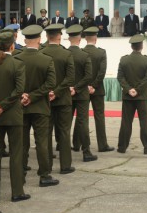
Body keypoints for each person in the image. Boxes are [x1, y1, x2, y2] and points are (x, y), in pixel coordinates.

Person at [0, 31, 29, 203]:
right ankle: (17, 191)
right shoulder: (17, 64)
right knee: (16, 153)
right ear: (12, 45)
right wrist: (3, 106)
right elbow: (19, 90)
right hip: (13, 115)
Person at [16, 25, 58, 187]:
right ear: (39, 40)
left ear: (25, 40)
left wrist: (24, 96)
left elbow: (12, 82)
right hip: (40, 107)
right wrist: (33, 97)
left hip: (21, 106)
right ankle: (44, 175)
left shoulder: (16, 58)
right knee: (42, 142)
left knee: (22, 143)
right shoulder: (46, 60)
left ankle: (20, 174)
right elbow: (51, 84)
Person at [41, 24, 76, 175]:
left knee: (46, 133)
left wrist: (50, 92)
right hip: (63, 99)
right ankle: (65, 165)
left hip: (45, 99)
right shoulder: (66, 54)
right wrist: (57, 92)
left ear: (47, 37)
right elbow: (70, 78)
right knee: (64, 132)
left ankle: (47, 165)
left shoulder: (41, 53)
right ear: (59, 36)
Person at [117, 34, 147, 154]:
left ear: (132, 47)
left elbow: (120, 77)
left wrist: (129, 89)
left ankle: (122, 147)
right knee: (144, 123)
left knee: (126, 122)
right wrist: (138, 90)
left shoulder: (124, 60)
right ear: (141, 46)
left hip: (128, 97)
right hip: (142, 96)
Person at [82, 27, 115, 153]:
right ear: (95, 38)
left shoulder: (81, 52)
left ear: (85, 38)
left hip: (83, 89)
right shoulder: (101, 53)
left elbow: (79, 73)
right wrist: (94, 86)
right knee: (99, 117)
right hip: (98, 90)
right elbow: (102, 72)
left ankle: (79, 144)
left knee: (82, 117)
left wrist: (87, 86)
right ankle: (102, 145)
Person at [66, 25, 96, 162]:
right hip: (82, 94)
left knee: (65, 123)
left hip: (67, 94)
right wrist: (77, 88)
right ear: (79, 39)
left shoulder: (64, 54)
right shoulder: (84, 55)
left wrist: (70, 88)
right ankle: (86, 152)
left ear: (69, 39)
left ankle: (64, 150)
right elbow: (88, 76)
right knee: (83, 122)